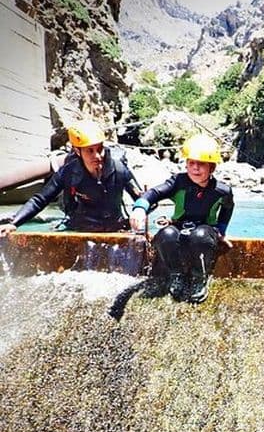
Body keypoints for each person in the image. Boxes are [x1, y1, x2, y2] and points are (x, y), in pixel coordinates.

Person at [129, 134, 234, 304]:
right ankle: (176, 274)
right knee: (166, 234)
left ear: (212, 168)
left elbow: (228, 208)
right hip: (180, 225)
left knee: (199, 236)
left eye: (201, 164)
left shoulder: (222, 191)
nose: (195, 168)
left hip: (205, 230)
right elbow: (154, 193)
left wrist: (221, 230)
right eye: (191, 163)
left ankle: (199, 278)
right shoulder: (178, 182)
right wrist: (140, 208)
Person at [0, 120, 141, 236]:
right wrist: (14, 223)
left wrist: (139, 211)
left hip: (114, 227)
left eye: (99, 149)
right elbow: (40, 200)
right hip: (81, 227)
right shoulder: (68, 172)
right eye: (89, 151)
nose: (97, 156)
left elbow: (144, 199)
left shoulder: (119, 169)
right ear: (77, 151)